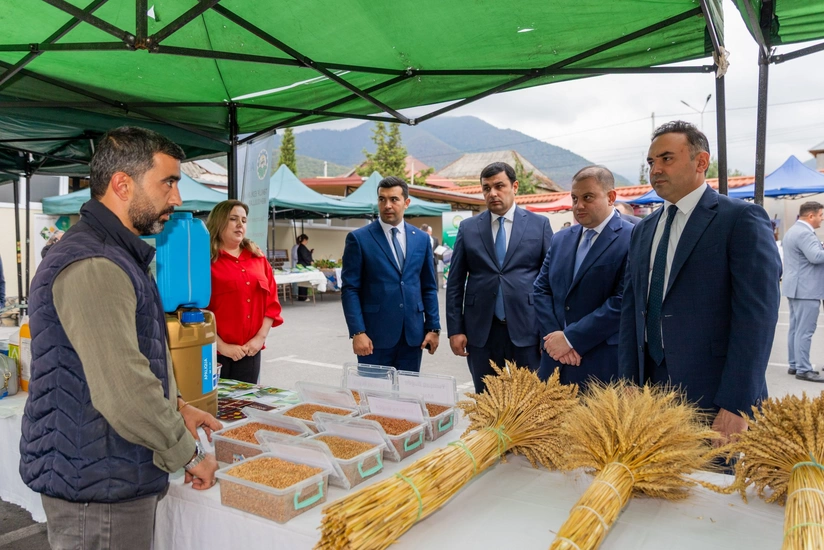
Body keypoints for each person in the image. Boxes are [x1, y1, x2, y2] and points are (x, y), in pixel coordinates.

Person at [20, 126, 222, 550]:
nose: (177, 198)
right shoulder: (95, 263)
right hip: (98, 488)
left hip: (107, 472)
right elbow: (125, 390)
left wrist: (177, 407)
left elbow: (129, 358)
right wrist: (189, 454)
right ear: (122, 184)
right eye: (168, 182)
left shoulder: (114, 254)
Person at [618, 121, 781, 447]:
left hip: (713, 393)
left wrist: (736, 403)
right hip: (649, 390)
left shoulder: (739, 219)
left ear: (701, 162)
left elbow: (757, 319)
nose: (655, 170)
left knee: (712, 478)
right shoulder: (643, 230)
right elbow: (630, 309)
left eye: (666, 158)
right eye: (651, 162)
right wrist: (628, 380)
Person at [446, 162, 553, 392]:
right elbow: (455, 283)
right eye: (486, 188)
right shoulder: (468, 228)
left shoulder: (539, 225)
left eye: (499, 186)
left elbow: (550, 282)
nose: (492, 193)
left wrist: (548, 332)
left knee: (530, 400)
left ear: (515, 187)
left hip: (527, 328)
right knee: (486, 400)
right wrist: (455, 330)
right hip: (481, 331)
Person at [534, 166, 633, 389]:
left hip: (601, 363)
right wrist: (555, 340)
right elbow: (541, 289)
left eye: (588, 197)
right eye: (574, 198)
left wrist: (571, 339)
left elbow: (623, 300)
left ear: (611, 197)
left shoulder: (632, 237)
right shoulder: (560, 239)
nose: (578, 205)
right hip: (555, 361)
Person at [341, 176, 440, 372]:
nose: (387, 205)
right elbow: (350, 289)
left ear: (406, 203)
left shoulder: (421, 239)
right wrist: (357, 332)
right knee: (373, 390)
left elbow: (428, 287)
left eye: (394, 199)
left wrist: (433, 328)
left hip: (413, 337)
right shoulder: (359, 239)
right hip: (373, 338)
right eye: (382, 199)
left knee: (408, 390)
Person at [207, 199, 283, 383]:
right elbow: (197, 312)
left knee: (247, 400)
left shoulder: (258, 258)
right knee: (216, 401)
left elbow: (271, 303)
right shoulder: (205, 260)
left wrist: (260, 338)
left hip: (251, 351)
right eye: (233, 219)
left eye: (244, 220)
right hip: (214, 352)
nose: (240, 224)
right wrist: (222, 346)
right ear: (219, 221)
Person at [782, 201, 824, 382]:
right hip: (807, 289)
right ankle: (803, 369)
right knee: (805, 331)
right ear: (811, 216)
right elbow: (816, 256)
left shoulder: (794, 230)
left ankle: (794, 364)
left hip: (797, 287)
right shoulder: (805, 233)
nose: (822, 219)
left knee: (796, 329)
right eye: (821, 215)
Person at [295, 233, 313, 301]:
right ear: (304, 240)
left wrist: (310, 252)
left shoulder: (301, 247)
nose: (307, 242)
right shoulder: (302, 247)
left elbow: (305, 255)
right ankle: (303, 297)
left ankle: (302, 296)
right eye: (307, 240)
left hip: (302, 265)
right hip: (303, 266)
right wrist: (310, 261)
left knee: (302, 281)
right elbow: (305, 257)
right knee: (303, 281)